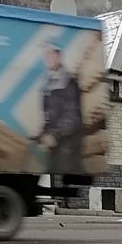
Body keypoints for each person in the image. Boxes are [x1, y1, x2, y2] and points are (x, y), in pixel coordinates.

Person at [39, 45, 86, 174]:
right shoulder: (48, 83)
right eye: (46, 55)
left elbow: (73, 117)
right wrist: (43, 133)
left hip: (68, 146)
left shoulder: (69, 83)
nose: (48, 58)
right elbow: (49, 115)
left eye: (52, 54)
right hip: (55, 146)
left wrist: (54, 135)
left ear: (58, 57)